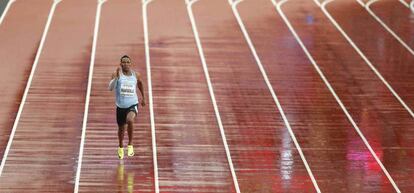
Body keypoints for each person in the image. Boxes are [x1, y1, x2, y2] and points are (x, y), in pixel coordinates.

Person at [109, 55, 146, 159]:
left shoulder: (136, 75)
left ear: (130, 64)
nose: (125, 64)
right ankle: (120, 146)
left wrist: (143, 97)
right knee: (121, 128)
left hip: (132, 104)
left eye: (127, 62)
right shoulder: (116, 74)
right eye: (123, 62)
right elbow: (110, 88)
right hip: (120, 106)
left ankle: (130, 144)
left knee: (130, 120)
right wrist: (116, 78)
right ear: (120, 64)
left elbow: (140, 84)